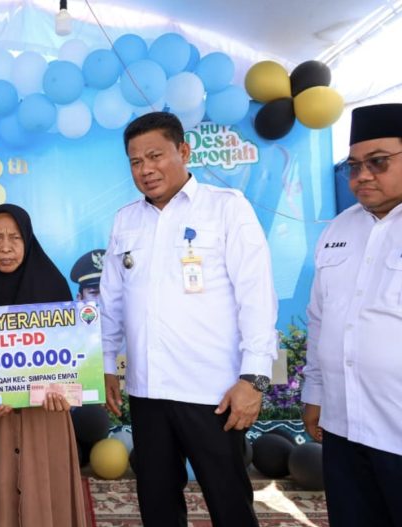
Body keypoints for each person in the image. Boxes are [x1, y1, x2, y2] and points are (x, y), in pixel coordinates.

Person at [100, 112, 278, 527]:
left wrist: (254, 378)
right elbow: (111, 300)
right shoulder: (126, 220)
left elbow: (257, 296)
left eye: (155, 156)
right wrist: (107, 364)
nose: (145, 170)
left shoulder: (226, 208)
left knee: (229, 500)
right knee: (157, 502)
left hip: (211, 391)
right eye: (135, 161)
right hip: (147, 391)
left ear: (183, 150)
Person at [0, 203, 87, 527]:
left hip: (44, 420)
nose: (6, 247)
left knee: (43, 497)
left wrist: (62, 392)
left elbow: (72, 365)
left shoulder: (53, 287)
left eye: (15, 238)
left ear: (28, 240)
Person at [301, 103, 402, 527]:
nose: (362, 176)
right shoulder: (339, 229)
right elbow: (320, 319)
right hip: (344, 427)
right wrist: (314, 393)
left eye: (378, 162)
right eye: (354, 165)